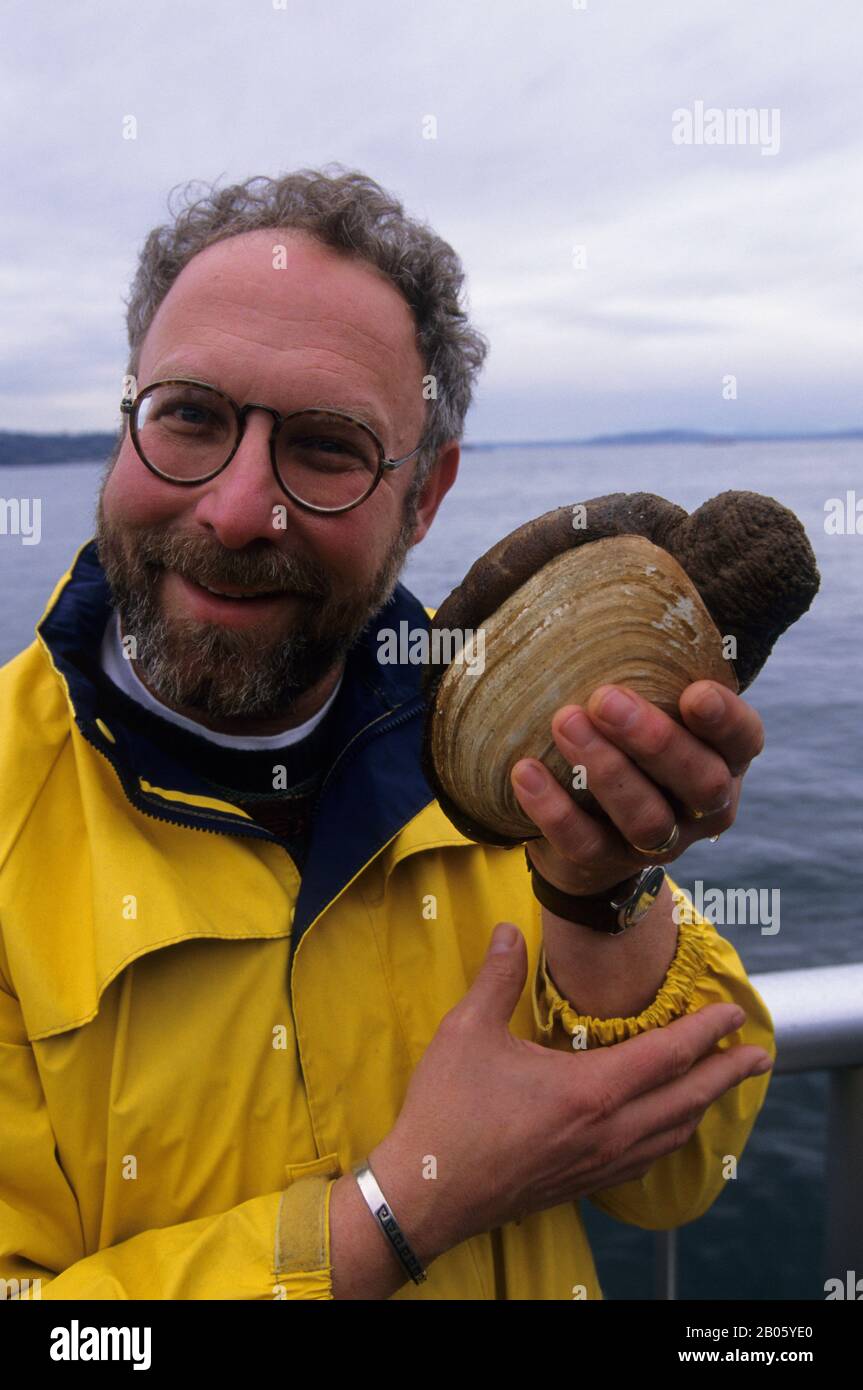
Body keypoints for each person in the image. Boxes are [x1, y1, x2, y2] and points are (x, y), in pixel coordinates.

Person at [0, 166, 774, 1301]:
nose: (232, 508)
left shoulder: (517, 760)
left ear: (424, 496)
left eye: (324, 447)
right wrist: (395, 1211)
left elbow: (682, 1174)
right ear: (126, 421)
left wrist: (602, 884)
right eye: (190, 418)